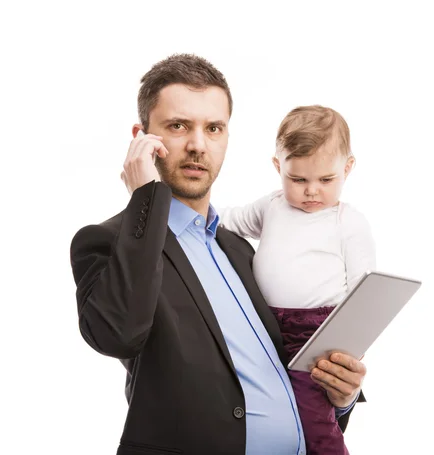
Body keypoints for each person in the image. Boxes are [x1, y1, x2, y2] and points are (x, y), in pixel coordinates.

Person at [69, 54, 367, 455]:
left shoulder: (240, 249)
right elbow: (117, 333)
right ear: (142, 137)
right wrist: (146, 201)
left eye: (213, 128)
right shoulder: (111, 241)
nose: (197, 144)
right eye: (178, 126)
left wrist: (340, 395)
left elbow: (282, 379)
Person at [219, 105, 376, 454]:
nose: (311, 191)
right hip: (266, 329)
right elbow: (227, 220)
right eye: (298, 179)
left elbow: (364, 292)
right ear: (279, 167)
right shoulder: (271, 207)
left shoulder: (347, 222)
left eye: (326, 180)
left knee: (314, 419)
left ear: (347, 168)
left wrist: (350, 345)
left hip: (317, 334)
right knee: (266, 413)